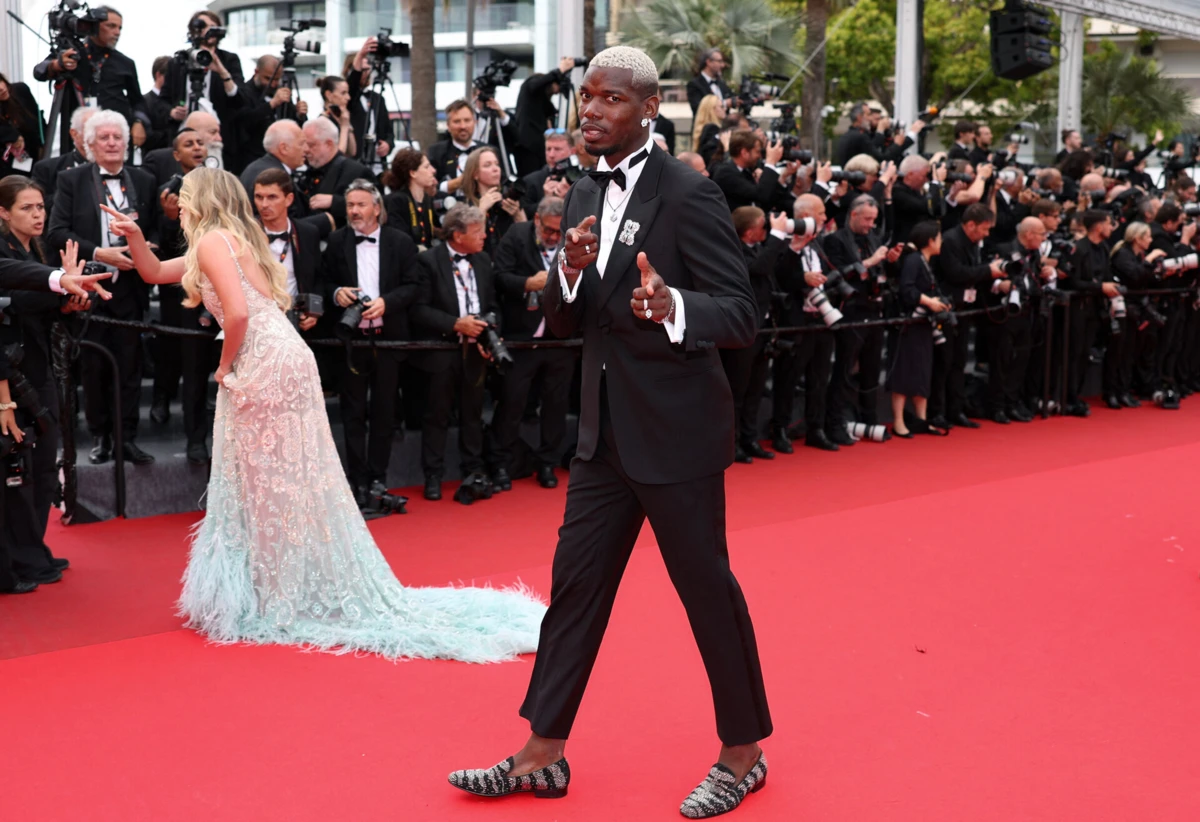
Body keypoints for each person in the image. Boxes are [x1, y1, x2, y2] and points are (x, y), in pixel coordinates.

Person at [448, 46, 770, 820]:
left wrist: (675, 309)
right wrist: (566, 269)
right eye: (584, 98)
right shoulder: (586, 188)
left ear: (647, 109)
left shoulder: (689, 192)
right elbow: (569, 317)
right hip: (601, 437)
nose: (589, 111)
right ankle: (542, 753)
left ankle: (743, 752)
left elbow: (743, 315)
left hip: (677, 433)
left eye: (608, 100)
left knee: (705, 593)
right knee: (575, 592)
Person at [100, 167, 544, 655]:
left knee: (268, 479)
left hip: (262, 360)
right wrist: (137, 235)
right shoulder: (225, 240)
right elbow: (153, 272)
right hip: (282, 356)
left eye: (184, 196)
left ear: (203, 199)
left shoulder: (213, 243)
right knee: (283, 476)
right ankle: (275, 584)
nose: (179, 205)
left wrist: (224, 369)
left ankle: (277, 592)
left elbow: (240, 314)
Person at [47, 110, 159, 466]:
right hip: (88, 287)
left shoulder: (145, 179)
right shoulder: (72, 180)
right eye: (104, 138)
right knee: (94, 367)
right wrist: (99, 251)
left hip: (130, 289)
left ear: (127, 144)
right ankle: (100, 438)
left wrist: (144, 250)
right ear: (90, 144)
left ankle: (128, 437)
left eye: (117, 137)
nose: (111, 143)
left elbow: (156, 231)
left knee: (130, 367)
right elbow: (56, 233)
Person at [0, 177, 89, 589]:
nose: (38, 215)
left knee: (42, 463)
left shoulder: (36, 249)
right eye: (27, 208)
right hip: (11, 376)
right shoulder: (11, 254)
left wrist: (67, 303)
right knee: (20, 471)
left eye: (40, 207)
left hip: (37, 368)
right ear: (3, 212)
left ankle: (33, 548)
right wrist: (57, 283)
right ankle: (19, 558)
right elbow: (15, 297)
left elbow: (36, 307)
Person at [411, 204, 499, 504]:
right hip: (442, 351)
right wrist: (455, 324)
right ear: (458, 235)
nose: (484, 236)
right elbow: (418, 309)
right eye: (477, 232)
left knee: (473, 415)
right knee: (436, 415)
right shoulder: (428, 261)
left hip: (475, 351)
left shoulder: (485, 260)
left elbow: (493, 303)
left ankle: (473, 471)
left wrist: (488, 329)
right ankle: (433, 476)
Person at [490, 196, 577, 489]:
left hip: (559, 339)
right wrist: (528, 283)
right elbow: (498, 277)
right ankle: (501, 462)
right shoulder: (516, 236)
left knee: (556, 404)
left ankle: (547, 463)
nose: (554, 237)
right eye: (549, 231)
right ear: (536, 220)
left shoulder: (572, 242)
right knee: (512, 403)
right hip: (521, 338)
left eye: (559, 232)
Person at [33, 6, 150, 154]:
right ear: (94, 26)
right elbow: (39, 72)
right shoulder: (72, 52)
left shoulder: (125, 63)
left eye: (120, 28)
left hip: (114, 137)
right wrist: (57, 65)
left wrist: (139, 123)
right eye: (111, 26)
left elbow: (138, 100)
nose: (117, 32)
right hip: (78, 135)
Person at [888, 222, 949, 437]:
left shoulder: (926, 261)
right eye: (939, 238)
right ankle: (898, 420)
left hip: (924, 325)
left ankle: (921, 419)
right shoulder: (913, 260)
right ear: (930, 241)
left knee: (923, 370)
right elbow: (906, 289)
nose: (941, 242)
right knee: (905, 371)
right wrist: (928, 302)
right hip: (909, 324)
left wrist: (940, 302)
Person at [163, 11, 244, 139]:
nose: (208, 30)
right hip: (183, 132)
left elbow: (239, 99)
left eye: (212, 26)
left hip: (219, 134)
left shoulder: (229, 59)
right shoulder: (179, 61)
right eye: (202, 26)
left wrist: (221, 71)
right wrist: (172, 112)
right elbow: (163, 99)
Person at [234, 55, 308, 171]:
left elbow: (291, 123)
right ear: (256, 72)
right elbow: (244, 122)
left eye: (276, 79)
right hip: (252, 159)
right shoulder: (244, 92)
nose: (273, 84)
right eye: (268, 79)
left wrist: (299, 115)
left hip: (280, 161)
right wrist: (271, 104)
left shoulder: (279, 92)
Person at [512, 57, 579, 178]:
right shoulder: (531, 85)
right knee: (531, 179)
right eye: (556, 87)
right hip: (527, 149)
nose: (557, 92)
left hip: (539, 148)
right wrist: (559, 71)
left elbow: (551, 113)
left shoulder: (542, 101)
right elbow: (537, 84)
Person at [299, 117, 370, 228]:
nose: (305, 150)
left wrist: (335, 201)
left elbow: (374, 205)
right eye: (303, 144)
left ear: (329, 144)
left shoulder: (356, 171)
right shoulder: (307, 172)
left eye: (311, 145)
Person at [459, 146, 525, 257]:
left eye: (497, 164)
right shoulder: (465, 206)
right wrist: (481, 211)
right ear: (475, 174)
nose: (495, 169)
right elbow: (468, 242)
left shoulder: (509, 198)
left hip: (510, 262)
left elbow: (526, 239)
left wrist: (517, 214)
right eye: (487, 165)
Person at [31, 106, 98, 206]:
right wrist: (69, 189)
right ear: (74, 134)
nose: (98, 135)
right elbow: (38, 206)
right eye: (91, 129)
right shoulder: (46, 169)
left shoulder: (119, 169)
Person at [383, 149, 439, 250]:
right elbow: (399, 239)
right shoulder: (397, 200)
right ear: (413, 173)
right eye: (426, 167)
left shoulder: (427, 199)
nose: (433, 170)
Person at [0, 75, 42, 177]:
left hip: (33, 154)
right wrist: (12, 136)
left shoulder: (20, 91)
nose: (1, 88)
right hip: (6, 168)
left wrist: (43, 144)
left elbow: (38, 120)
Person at [317, 75, 357, 159]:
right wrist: (344, 127)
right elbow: (337, 156)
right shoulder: (323, 122)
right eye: (343, 93)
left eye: (348, 93)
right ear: (329, 95)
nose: (348, 98)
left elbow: (352, 151)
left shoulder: (340, 118)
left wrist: (347, 125)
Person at [686, 48, 732, 117]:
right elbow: (699, 108)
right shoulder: (694, 84)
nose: (722, 65)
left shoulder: (721, 83)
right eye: (719, 61)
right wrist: (724, 103)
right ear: (708, 62)